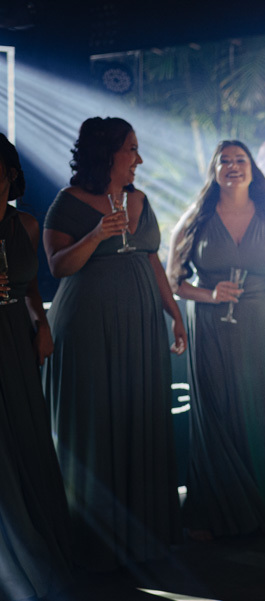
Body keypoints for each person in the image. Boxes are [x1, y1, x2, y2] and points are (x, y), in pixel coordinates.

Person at [42, 117, 186, 571]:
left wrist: (175, 314)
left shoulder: (140, 199)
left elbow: (153, 262)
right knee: (95, 422)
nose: (138, 159)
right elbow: (59, 266)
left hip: (142, 323)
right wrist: (97, 234)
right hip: (89, 323)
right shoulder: (66, 203)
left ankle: (143, 532)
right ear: (106, 153)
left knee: (139, 416)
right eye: (131, 149)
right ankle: (93, 540)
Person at [167, 140, 265, 540]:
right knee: (218, 415)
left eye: (240, 160)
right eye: (225, 161)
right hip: (211, 330)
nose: (233, 166)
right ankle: (217, 512)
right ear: (215, 171)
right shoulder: (196, 218)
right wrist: (209, 294)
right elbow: (173, 281)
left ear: (252, 169)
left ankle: (264, 505)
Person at [0, 134, 72, 599]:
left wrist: (42, 324)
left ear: (10, 175)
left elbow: (29, 290)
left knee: (27, 436)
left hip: (16, 341)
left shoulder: (25, 223)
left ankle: (41, 536)